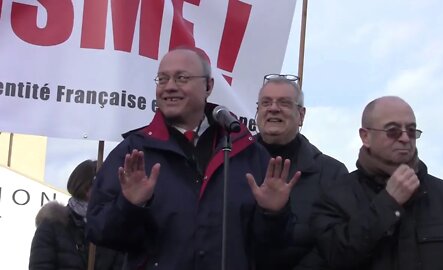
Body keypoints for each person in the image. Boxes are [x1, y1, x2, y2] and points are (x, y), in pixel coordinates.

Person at [86, 47, 299, 270]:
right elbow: (99, 232)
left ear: (208, 86)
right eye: (162, 79)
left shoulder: (247, 152)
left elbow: (274, 250)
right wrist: (130, 206)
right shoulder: (133, 152)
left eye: (181, 78)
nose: (169, 87)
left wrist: (273, 215)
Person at [310, 96, 443, 270]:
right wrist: (388, 204)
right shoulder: (336, 196)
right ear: (366, 136)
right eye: (393, 131)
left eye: (412, 130)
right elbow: (337, 257)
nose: (405, 138)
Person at [254, 74, 348, 270]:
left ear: (301, 115)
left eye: (284, 103)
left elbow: (335, 245)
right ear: (258, 111)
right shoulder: (231, 163)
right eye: (266, 102)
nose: (273, 108)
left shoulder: (332, 173)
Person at [29, 159, 124, 270]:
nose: (110, 189)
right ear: (86, 188)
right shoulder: (52, 225)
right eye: (103, 183)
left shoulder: (114, 229)